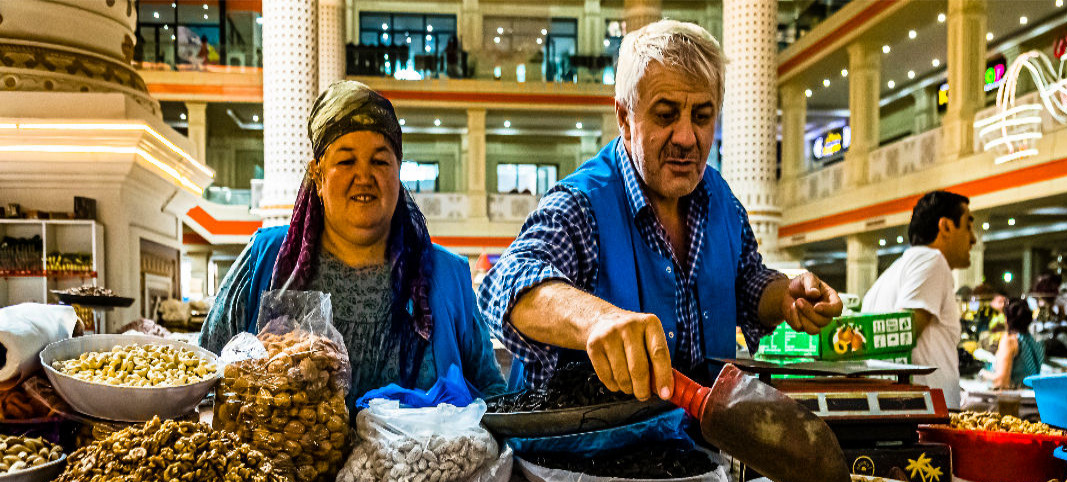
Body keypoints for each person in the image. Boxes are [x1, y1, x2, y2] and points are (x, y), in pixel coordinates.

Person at [478, 20, 842, 400]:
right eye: (665, 115)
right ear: (624, 118)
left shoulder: (723, 202)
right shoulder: (582, 204)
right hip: (580, 450)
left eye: (702, 117)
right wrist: (597, 320)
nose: (687, 138)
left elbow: (744, 282)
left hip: (696, 445)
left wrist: (784, 296)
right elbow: (505, 284)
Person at [200, 80, 504, 402]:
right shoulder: (266, 261)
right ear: (317, 177)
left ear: (398, 173)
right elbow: (202, 379)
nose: (364, 176)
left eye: (380, 161)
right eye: (346, 161)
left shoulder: (446, 277)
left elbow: (493, 393)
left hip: (423, 454)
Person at [861, 190, 976, 409]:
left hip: (903, 410)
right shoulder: (931, 260)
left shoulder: (890, 274)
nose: (973, 239)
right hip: (926, 415)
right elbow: (902, 332)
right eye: (968, 226)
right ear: (946, 227)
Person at [989, 296, 1044, 390]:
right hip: (1033, 397)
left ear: (1006, 319)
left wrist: (983, 374)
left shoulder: (1009, 340)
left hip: (1016, 401)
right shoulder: (1034, 340)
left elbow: (1001, 382)